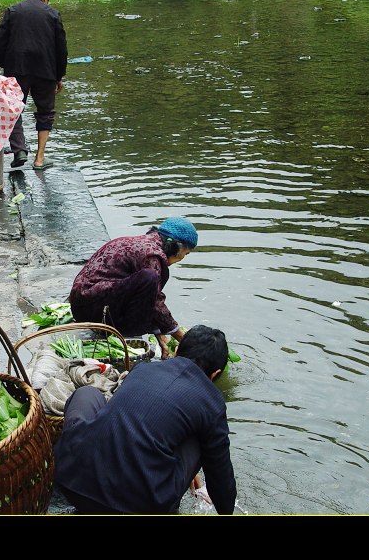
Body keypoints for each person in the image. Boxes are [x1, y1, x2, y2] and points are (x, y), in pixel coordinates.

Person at [53, 324, 237, 515]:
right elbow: (220, 474)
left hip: (73, 481)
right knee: (204, 439)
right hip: (141, 505)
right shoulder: (213, 403)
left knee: (87, 393)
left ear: (175, 351)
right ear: (215, 374)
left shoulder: (142, 369)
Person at [68, 216, 198, 360]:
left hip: (85, 304)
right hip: (91, 310)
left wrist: (159, 332)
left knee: (157, 277)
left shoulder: (145, 244)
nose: (183, 258)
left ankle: (128, 330)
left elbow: (149, 297)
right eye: (185, 254)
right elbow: (155, 300)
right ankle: (128, 332)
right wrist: (183, 338)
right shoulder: (151, 254)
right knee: (150, 277)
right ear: (177, 247)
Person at [0, 0, 68, 171]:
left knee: (14, 108)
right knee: (45, 112)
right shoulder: (52, 14)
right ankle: (40, 159)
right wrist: (59, 76)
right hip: (46, 70)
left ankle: (19, 149)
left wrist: (5, 65)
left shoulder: (13, 10)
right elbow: (61, 49)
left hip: (17, 69)